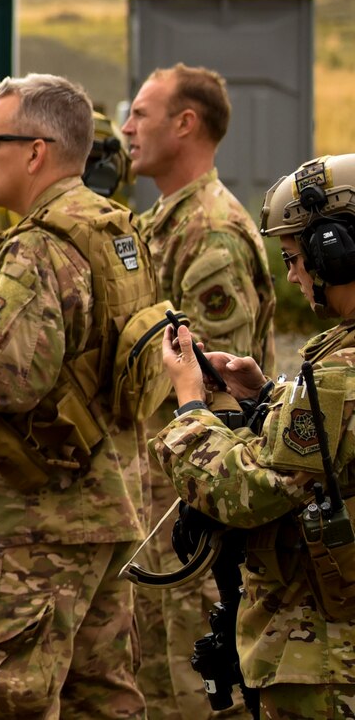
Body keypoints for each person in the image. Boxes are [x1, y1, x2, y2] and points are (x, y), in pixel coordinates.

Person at [0, 73, 155, 718]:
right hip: (110, 507)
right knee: (101, 698)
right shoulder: (120, 232)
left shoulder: (38, 249)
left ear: (35, 152)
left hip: (38, 525)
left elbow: (5, 380)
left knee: (3, 697)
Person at [153, 151, 355, 718]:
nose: (291, 274)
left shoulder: (341, 373)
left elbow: (248, 493)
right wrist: (267, 399)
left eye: (295, 257)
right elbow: (332, 458)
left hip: (328, 665)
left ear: (333, 251)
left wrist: (191, 403)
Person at [123, 64, 277, 718]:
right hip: (164, 484)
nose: (126, 128)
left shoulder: (208, 232)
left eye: (141, 113)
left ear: (185, 124)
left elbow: (219, 392)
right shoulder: (164, 219)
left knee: (193, 679)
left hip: (192, 505)